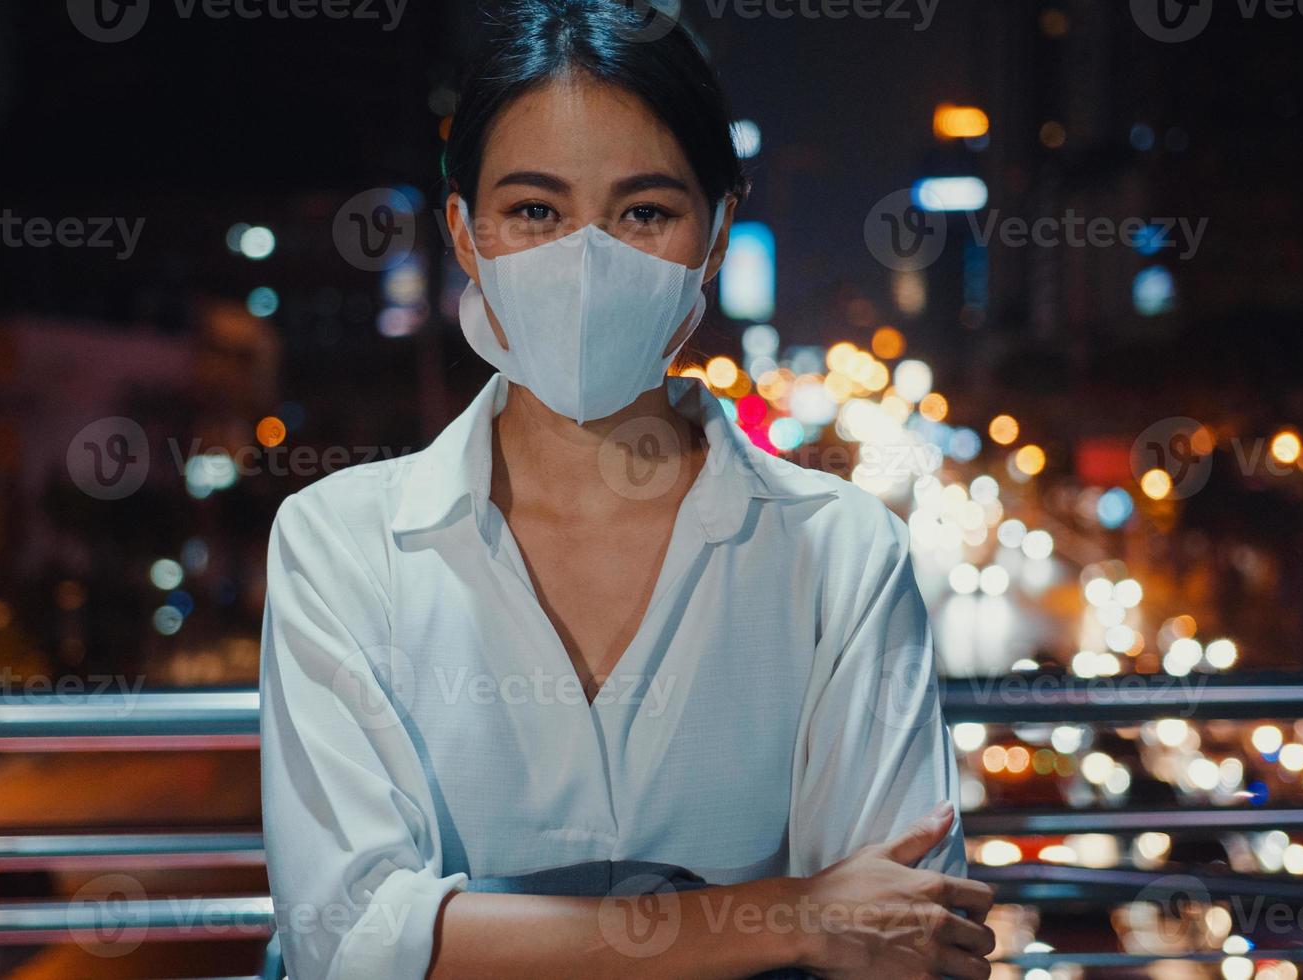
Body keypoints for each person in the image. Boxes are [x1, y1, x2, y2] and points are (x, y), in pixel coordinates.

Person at [259, 0, 996, 976]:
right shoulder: (338, 540)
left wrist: (468, 933)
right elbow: (343, 938)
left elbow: (899, 935)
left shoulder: (839, 550)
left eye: (643, 211)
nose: (587, 260)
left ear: (716, 232)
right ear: (464, 234)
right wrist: (794, 912)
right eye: (534, 211)